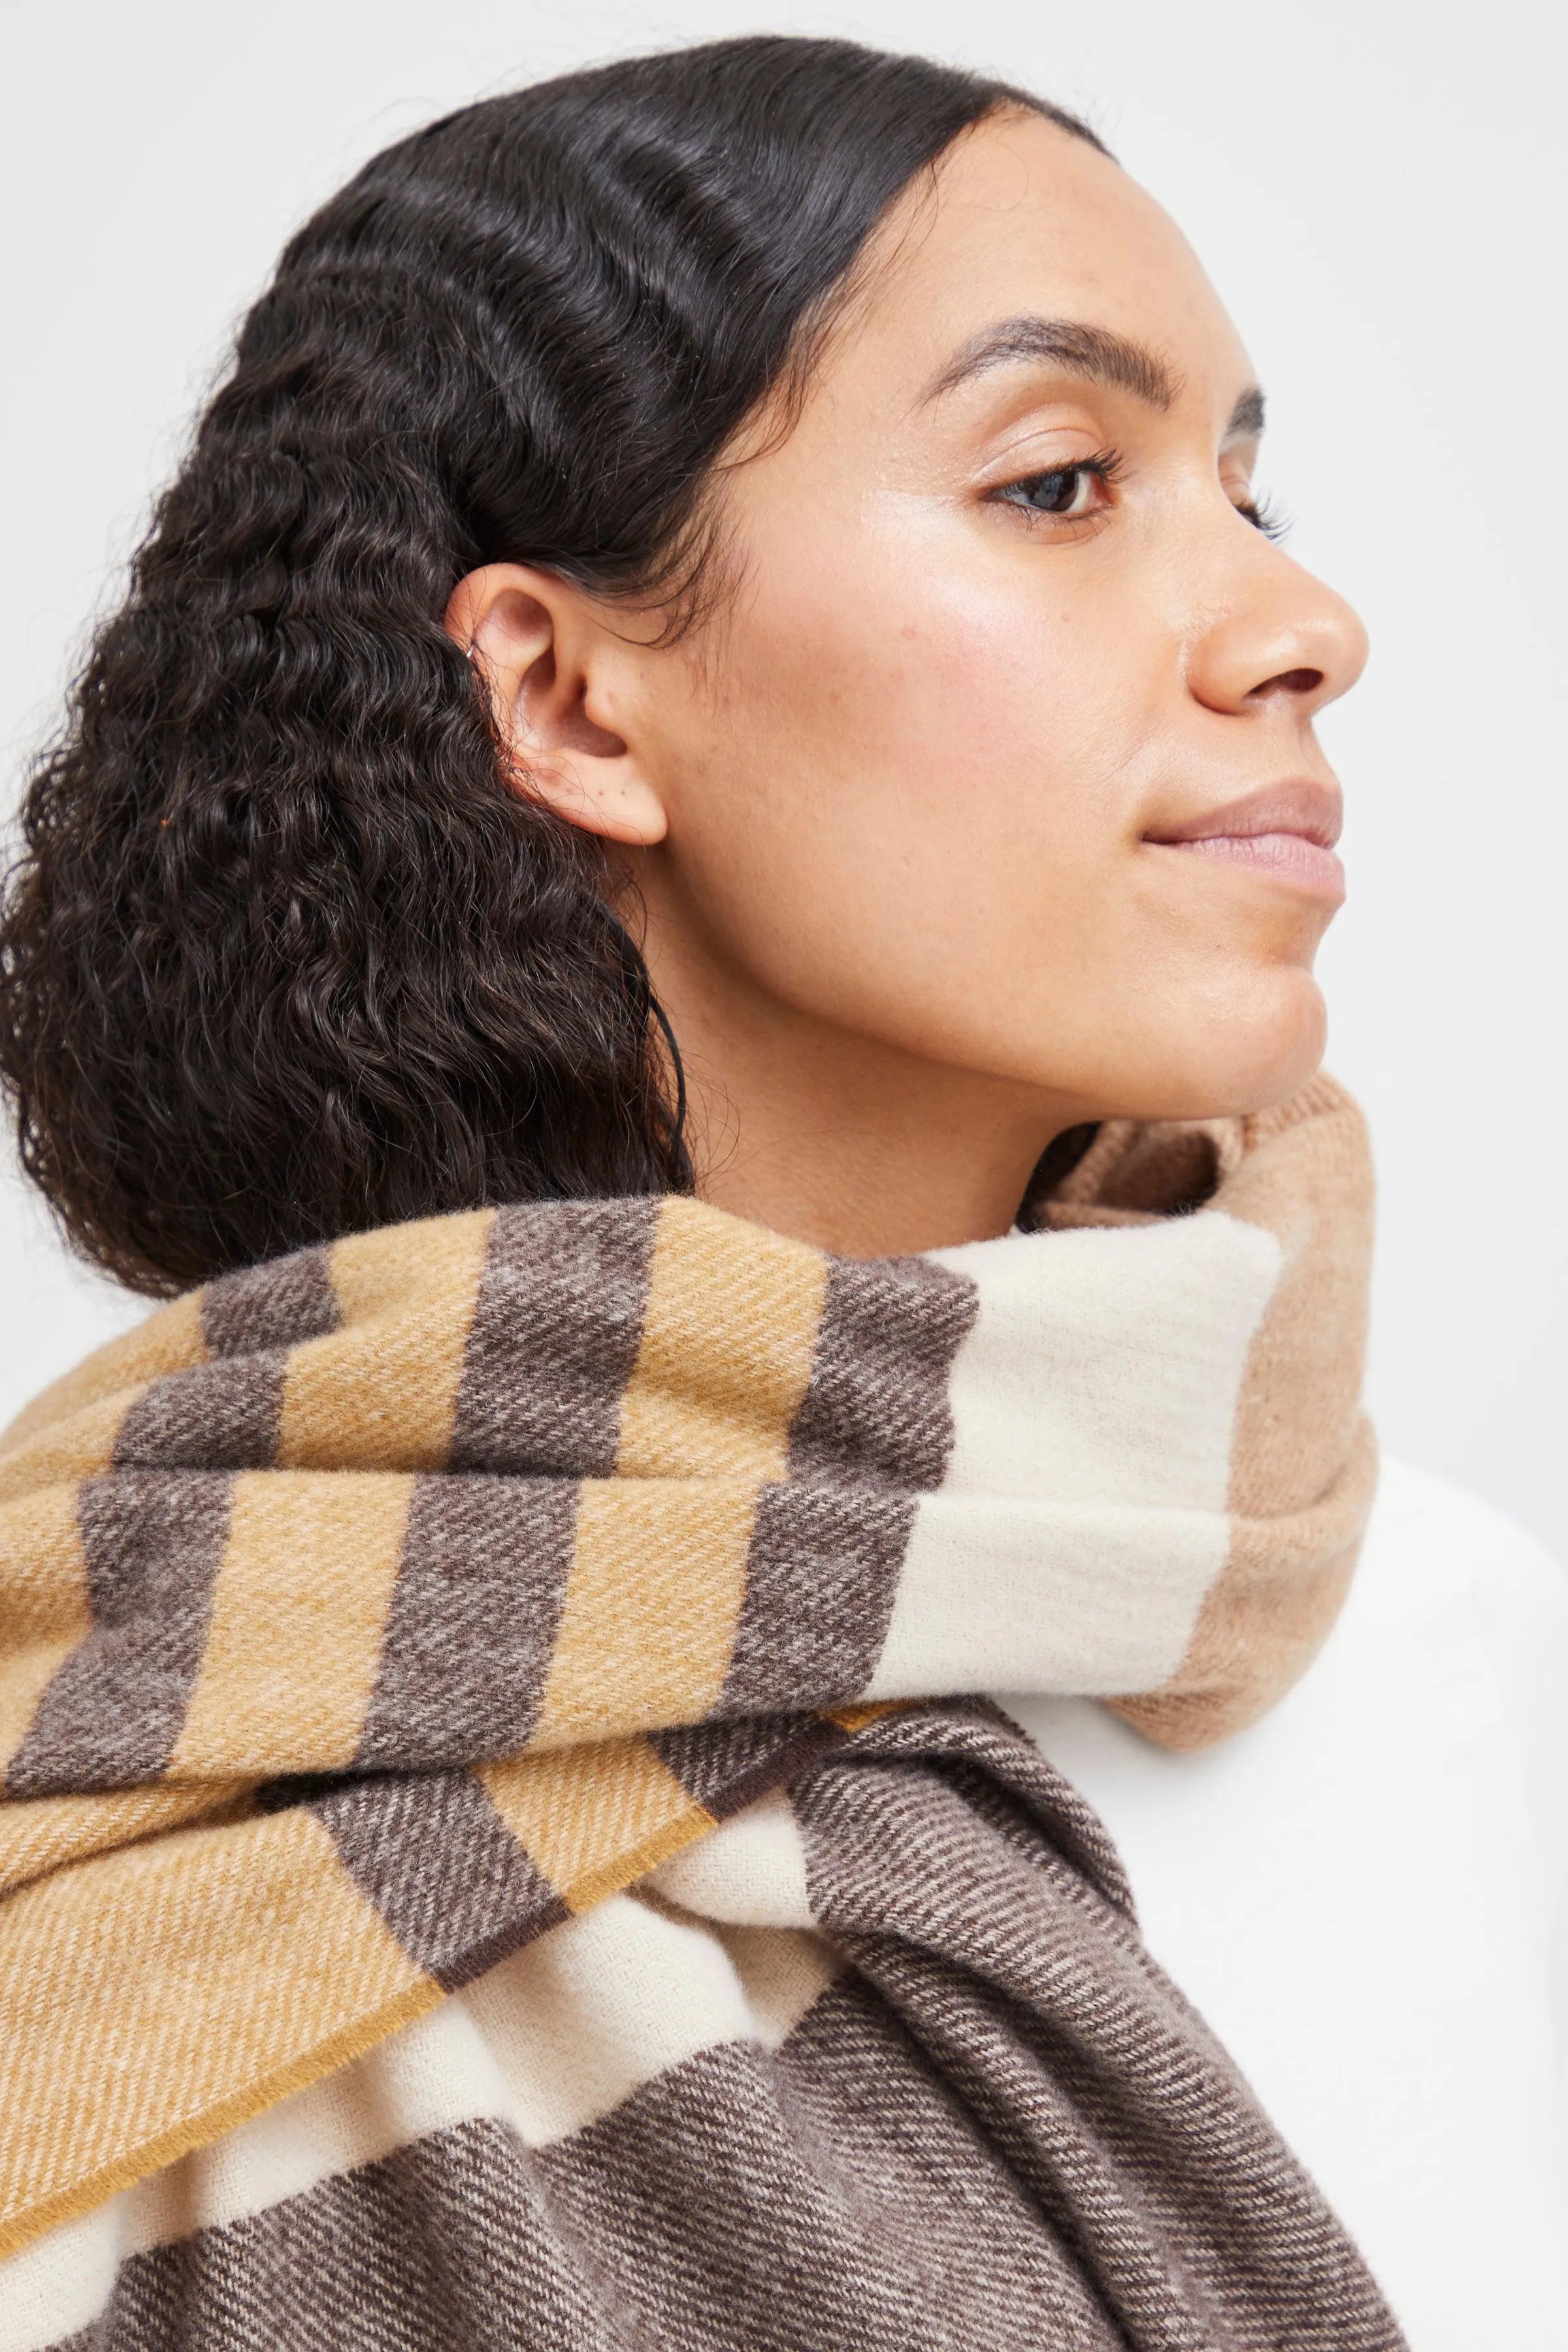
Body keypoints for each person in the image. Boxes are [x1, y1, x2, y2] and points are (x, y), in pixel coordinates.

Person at [0, 33, 1561, 2350]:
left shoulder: (1462, 1666)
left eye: (1253, 492)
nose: (1300, 623)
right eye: (1059, 484)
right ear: (567, 698)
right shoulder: (112, 1749)